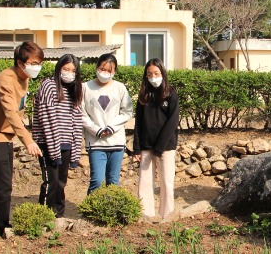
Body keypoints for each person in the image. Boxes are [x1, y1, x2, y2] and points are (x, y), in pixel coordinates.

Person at [0, 41, 44, 239]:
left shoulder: (24, 77)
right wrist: (28, 140)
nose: (37, 66)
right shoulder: (5, 80)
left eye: (39, 62)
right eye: (33, 62)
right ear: (20, 63)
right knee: (4, 182)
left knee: (0, 178)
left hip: (6, 133)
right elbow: (11, 113)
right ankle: (4, 227)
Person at [32, 54, 84, 218]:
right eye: (66, 69)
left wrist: (75, 150)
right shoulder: (48, 86)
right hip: (48, 142)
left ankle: (58, 214)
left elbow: (76, 119)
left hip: (66, 142)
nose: (69, 73)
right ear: (59, 68)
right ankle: (44, 216)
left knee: (61, 182)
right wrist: (53, 148)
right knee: (51, 182)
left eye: (73, 70)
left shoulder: (75, 89)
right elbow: (47, 119)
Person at [133, 58, 180, 220]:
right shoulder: (143, 96)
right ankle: (145, 214)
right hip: (146, 146)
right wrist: (137, 148)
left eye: (156, 73)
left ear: (162, 73)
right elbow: (138, 123)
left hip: (166, 147)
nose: (153, 77)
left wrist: (159, 147)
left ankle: (167, 215)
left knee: (166, 181)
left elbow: (172, 122)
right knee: (144, 182)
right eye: (149, 74)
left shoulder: (171, 94)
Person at [81, 53, 133, 194]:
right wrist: (96, 130)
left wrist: (111, 127)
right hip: (96, 142)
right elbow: (81, 113)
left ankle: (110, 213)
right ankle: (91, 211)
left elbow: (127, 111)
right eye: (102, 69)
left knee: (113, 181)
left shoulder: (120, 87)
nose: (105, 73)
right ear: (96, 67)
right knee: (97, 180)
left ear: (114, 71)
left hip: (116, 142)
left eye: (109, 70)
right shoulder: (85, 87)